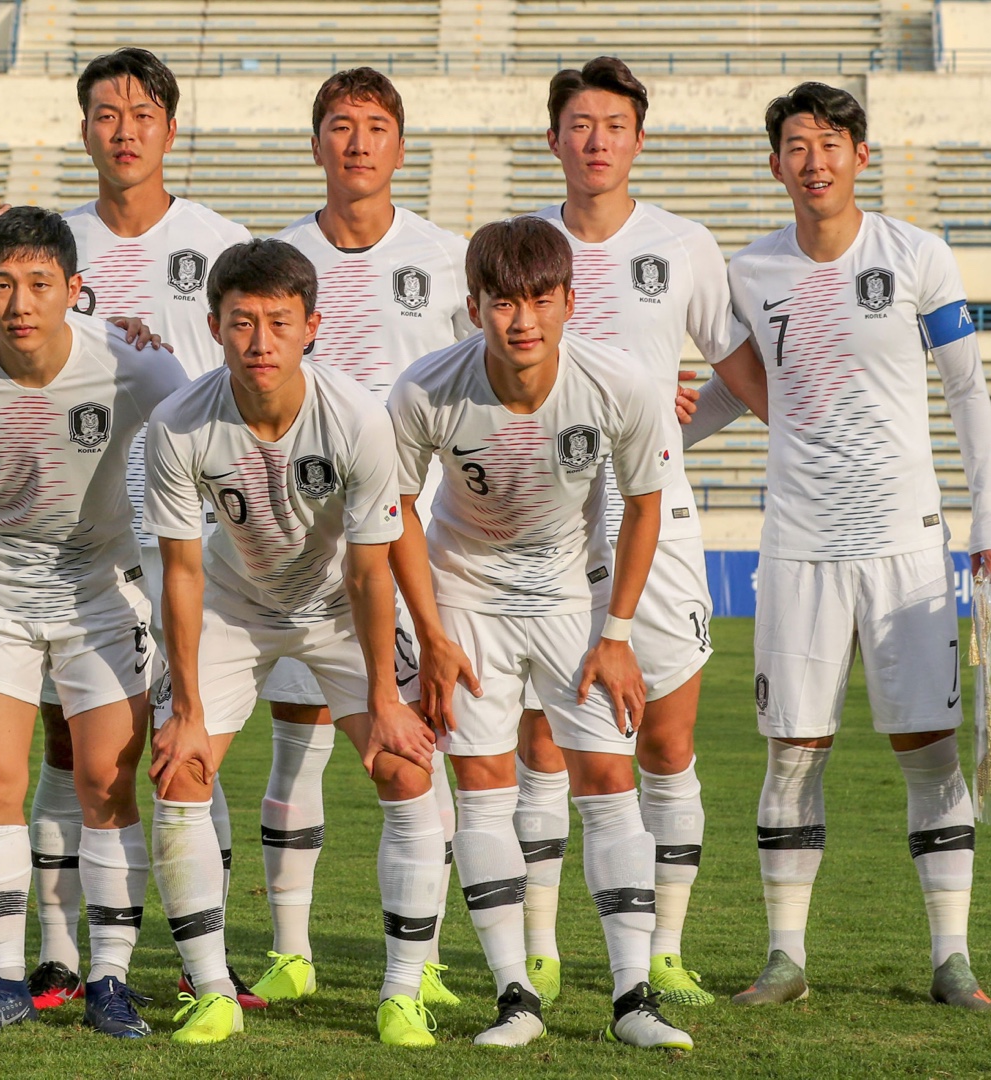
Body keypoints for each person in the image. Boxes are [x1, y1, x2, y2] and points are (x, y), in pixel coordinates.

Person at [715, 82, 991, 1010]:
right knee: (792, 749)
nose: (814, 160)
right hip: (796, 545)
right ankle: (784, 961)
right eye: (796, 145)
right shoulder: (748, 270)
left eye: (831, 142)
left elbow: (967, 391)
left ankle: (951, 959)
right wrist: (666, 420)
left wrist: (985, 517)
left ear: (859, 157)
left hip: (906, 541)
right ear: (775, 165)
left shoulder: (915, 253)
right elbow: (740, 383)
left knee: (928, 749)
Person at [388, 215, 693, 1050]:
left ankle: (633, 999)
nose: (520, 320)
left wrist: (618, 631)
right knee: (483, 789)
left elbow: (643, 505)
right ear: (472, 305)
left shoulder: (617, 383)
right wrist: (431, 633)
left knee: (606, 780)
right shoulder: (425, 389)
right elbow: (396, 512)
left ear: (567, 300)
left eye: (536, 300)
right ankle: (514, 995)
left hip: (570, 599)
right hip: (465, 602)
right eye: (499, 302)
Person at [144, 238, 447, 1047]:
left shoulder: (355, 419)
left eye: (278, 322)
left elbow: (369, 574)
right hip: (232, 606)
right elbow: (178, 574)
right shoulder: (178, 423)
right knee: (181, 770)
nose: (259, 342)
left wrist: (385, 699)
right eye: (241, 322)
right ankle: (209, 990)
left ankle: (401, 993)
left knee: (403, 764)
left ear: (311, 325)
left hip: (339, 609)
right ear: (213, 325)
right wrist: (187, 707)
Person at [515, 56, 769, 1007]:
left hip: (655, 518)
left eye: (612, 125)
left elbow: (743, 380)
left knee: (665, 740)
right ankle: (538, 946)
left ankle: (664, 948)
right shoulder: (519, 244)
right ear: (553, 140)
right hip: (539, 516)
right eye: (578, 125)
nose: (595, 142)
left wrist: (671, 427)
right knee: (544, 742)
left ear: (637, 140)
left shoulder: (684, 245)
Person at [0, 207, 187, 1038]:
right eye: (1, 284)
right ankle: (2, 983)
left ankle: (108, 983)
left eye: (38, 284)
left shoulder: (133, 367)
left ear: (73, 290)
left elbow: (206, 422)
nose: (19, 302)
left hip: (100, 598)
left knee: (105, 787)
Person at [20, 45, 255, 1012]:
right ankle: (57, 950)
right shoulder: (46, 243)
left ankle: (212, 955)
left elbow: (250, 376)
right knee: (70, 749)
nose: (123, 130)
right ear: (84, 130)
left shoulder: (220, 240)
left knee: (194, 737)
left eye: (141, 113)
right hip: (72, 534)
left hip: (191, 536)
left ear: (169, 126)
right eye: (106, 113)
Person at [254, 65, 476, 1009]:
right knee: (297, 735)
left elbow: (480, 375)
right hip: (296, 537)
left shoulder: (447, 253)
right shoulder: (270, 255)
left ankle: (420, 959)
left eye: (374, 126)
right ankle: (290, 949)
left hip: (412, 535)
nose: (356, 143)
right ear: (315, 145)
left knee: (419, 740)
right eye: (339, 126)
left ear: (398, 144)